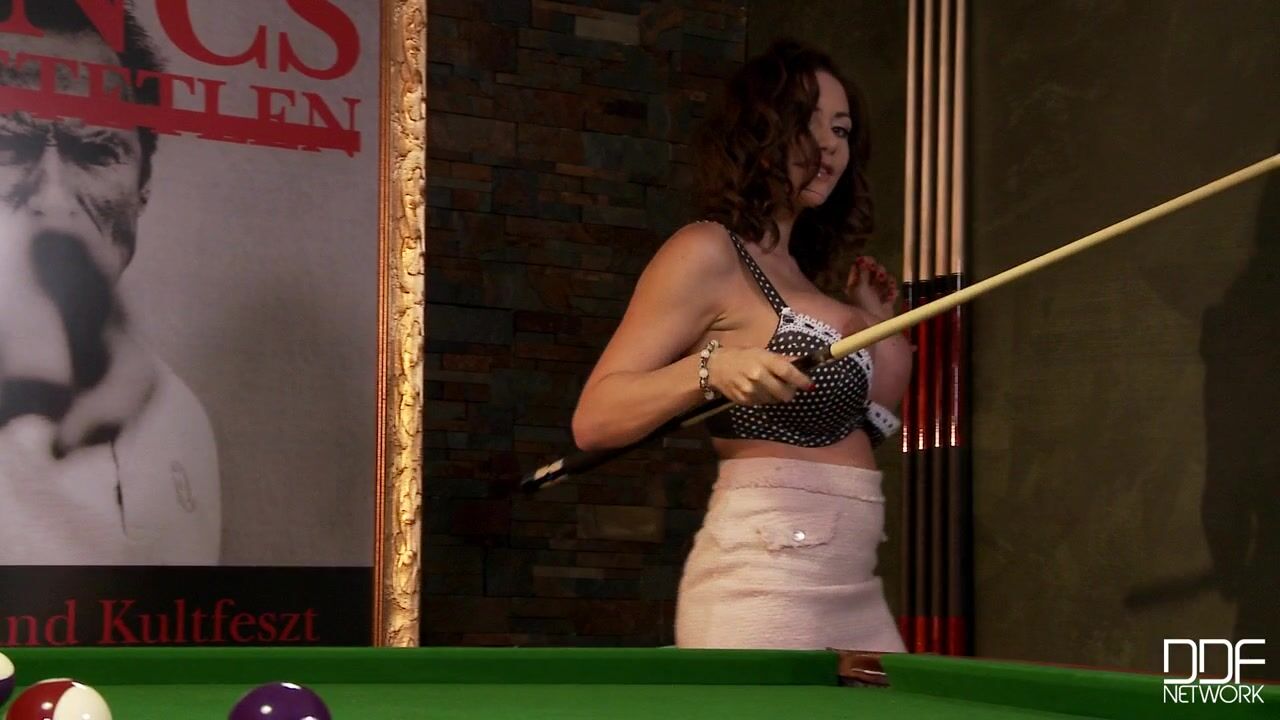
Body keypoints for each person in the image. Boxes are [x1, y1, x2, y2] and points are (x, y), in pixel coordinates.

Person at [572, 39, 911, 651]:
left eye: (841, 129)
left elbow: (867, 431)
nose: (831, 144)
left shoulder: (806, 278)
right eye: (808, 122)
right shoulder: (707, 251)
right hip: (762, 583)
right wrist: (712, 370)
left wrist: (876, 327)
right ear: (759, 130)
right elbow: (594, 419)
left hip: (855, 583)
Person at [0, 0, 220, 564]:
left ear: (143, 186)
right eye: (7, 144)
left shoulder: (176, 415)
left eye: (96, 151)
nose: (54, 199)